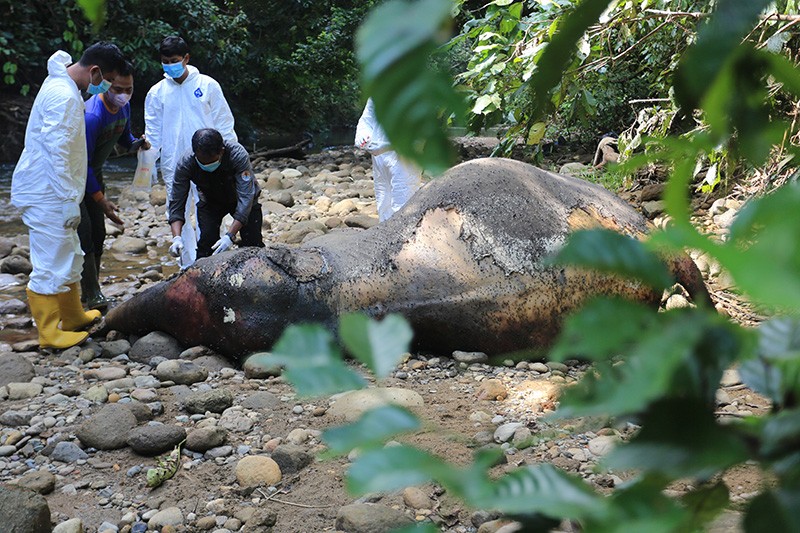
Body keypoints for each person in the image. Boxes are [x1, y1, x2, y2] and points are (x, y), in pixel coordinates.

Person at [11, 42, 127, 349]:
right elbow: (57, 153)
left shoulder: (64, 83)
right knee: (51, 260)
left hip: (56, 188)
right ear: (95, 71)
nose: (107, 87)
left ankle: (73, 314)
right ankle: (49, 332)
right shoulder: (63, 96)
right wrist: (66, 200)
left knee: (70, 251)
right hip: (47, 191)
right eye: (107, 79)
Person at [145, 35, 237, 268]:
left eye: (174, 60)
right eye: (165, 61)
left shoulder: (207, 85)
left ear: (186, 58)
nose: (170, 65)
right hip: (173, 161)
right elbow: (152, 133)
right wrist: (145, 167)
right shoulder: (157, 93)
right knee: (177, 209)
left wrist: (231, 159)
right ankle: (186, 264)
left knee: (212, 208)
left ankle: (211, 260)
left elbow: (224, 124)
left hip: (209, 161)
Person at [81, 60, 150, 310]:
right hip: (76, 179)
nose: (123, 95)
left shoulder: (124, 108)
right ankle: (91, 293)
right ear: (106, 85)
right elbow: (83, 163)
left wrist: (137, 143)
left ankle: (89, 290)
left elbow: (124, 138)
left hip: (95, 176)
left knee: (99, 234)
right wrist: (101, 200)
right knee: (84, 233)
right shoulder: (92, 116)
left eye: (129, 90)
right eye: (118, 89)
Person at [168, 128, 263, 260]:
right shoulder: (186, 163)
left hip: (240, 198)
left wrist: (230, 236)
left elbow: (246, 197)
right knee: (206, 246)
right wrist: (176, 238)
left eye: (211, 162)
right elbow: (177, 201)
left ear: (222, 151)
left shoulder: (237, 154)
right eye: (202, 162)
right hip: (210, 201)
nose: (207, 165)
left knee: (253, 243)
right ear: (195, 154)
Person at [355, 97, 421, 222]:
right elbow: (366, 119)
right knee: (383, 200)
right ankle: (385, 236)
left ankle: (403, 238)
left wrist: (387, 146)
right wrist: (362, 136)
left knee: (404, 202)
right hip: (379, 157)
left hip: (404, 159)